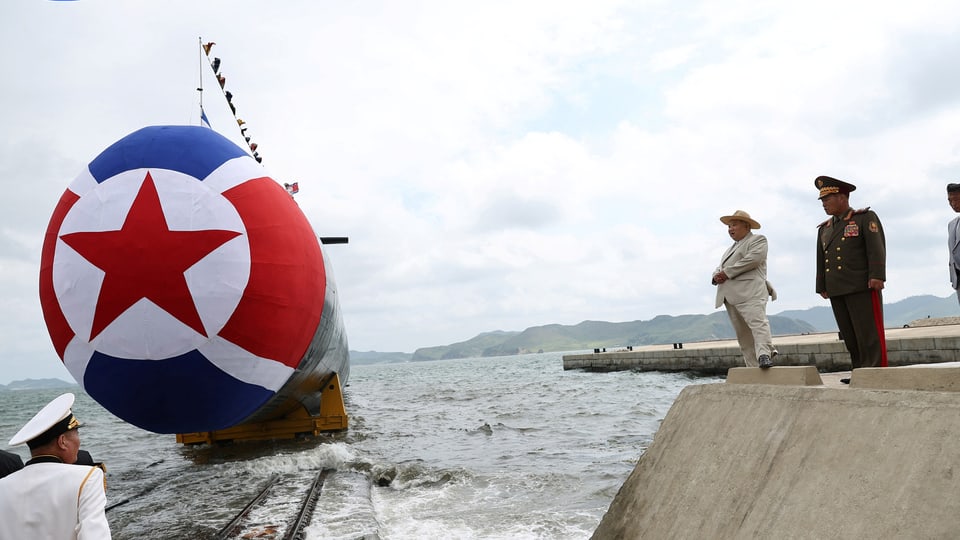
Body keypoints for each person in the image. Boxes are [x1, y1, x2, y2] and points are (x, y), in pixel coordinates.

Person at [0, 393, 111, 539]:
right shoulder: (87, 478)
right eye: (76, 433)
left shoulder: (3, 486)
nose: (79, 441)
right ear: (62, 441)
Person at [814, 175, 886, 380]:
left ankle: (875, 372)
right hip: (836, 287)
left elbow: (876, 248)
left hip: (861, 284)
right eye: (822, 200)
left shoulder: (864, 218)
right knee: (849, 334)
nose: (824, 204)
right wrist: (821, 286)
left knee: (868, 332)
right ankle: (860, 371)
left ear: (843, 197)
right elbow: (821, 259)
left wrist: (877, 275)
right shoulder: (825, 229)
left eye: (828, 199)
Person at [712, 210, 777, 368]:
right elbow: (720, 267)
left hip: (751, 291)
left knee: (758, 323)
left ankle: (764, 354)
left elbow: (753, 259)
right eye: (728, 226)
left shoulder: (758, 240)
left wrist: (726, 273)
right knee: (743, 334)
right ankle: (752, 366)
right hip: (730, 295)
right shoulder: (729, 249)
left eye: (734, 225)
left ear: (747, 226)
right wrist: (715, 276)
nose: (730, 229)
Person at [947, 183, 960, 304]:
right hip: (958, 279)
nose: (952, 204)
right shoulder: (951, 225)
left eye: (956, 199)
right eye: (950, 200)